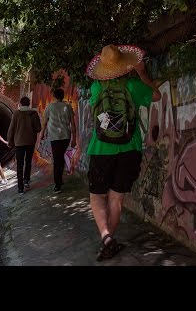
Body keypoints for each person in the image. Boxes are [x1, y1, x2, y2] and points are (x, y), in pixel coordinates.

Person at [85, 44, 161, 261]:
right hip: (129, 148)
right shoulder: (133, 86)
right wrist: (142, 72)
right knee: (116, 198)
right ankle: (110, 239)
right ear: (124, 65)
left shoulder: (96, 89)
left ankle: (106, 237)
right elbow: (156, 96)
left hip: (100, 149)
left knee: (97, 195)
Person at [38, 88, 76, 194]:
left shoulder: (50, 107)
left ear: (54, 96)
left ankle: (57, 185)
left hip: (55, 137)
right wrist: (74, 139)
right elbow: (72, 124)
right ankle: (59, 180)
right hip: (66, 136)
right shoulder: (68, 107)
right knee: (61, 158)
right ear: (62, 96)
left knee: (57, 160)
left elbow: (45, 123)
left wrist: (41, 135)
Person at [7, 96, 42, 195]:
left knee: (20, 164)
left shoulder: (17, 114)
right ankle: (26, 180)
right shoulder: (34, 113)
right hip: (30, 142)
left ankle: (20, 188)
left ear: (21, 104)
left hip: (19, 143)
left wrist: (10, 141)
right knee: (28, 162)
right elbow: (38, 128)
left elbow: (11, 128)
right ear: (29, 104)